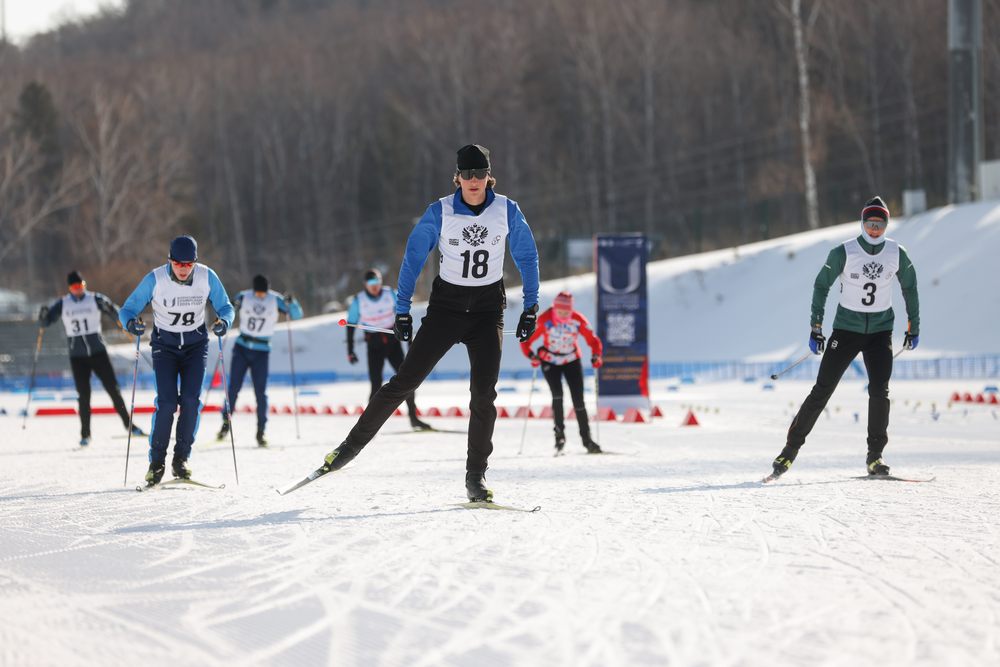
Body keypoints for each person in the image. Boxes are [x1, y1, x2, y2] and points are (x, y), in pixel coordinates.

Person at [313, 143, 540, 502]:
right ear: (457, 178)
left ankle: (475, 477)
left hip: (486, 310)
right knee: (403, 381)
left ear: (488, 176)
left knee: (484, 395)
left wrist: (531, 306)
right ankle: (347, 449)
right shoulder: (440, 212)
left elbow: (526, 255)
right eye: (467, 175)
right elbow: (413, 258)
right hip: (446, 309)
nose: (474, 181)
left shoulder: (507, 210)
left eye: (480, 174)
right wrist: (401, 310)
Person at [771, 196, 920, 479]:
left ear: (886, 224)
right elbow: (821, 286)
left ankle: (875, 457)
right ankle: (788, 452)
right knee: (822, 390)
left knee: (880, 392)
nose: (874, 229)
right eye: (869, 223)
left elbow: (910, 288)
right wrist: (816, 327)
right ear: (862, 223)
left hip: (880, 333)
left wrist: (914, 326)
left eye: (880, 223)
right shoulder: (844, 252)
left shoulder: (896, 252)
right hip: (846, 331)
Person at [119, 235, 235, 486]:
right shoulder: (156, 279)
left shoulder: (207, 277)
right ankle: (156, 463)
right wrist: (130, 323)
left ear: (195, 262)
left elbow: (226, 307)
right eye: (178, 263)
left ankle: (181, 459)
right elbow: (127, 309)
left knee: (192, 402)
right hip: (165, 347)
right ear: (169, 261)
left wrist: (224, 322)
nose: (183, 269)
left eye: (188, 264)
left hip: (196, 346)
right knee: (168, 402)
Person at [37, 271, 146, 446]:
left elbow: (114, 311)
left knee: (113, 390)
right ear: (69, 288)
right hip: (77, 356)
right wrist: (42, 317)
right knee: (84, 395)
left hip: (98, 353)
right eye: (74, 287)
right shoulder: (63, 304)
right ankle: (85, 434)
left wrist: (126, 321)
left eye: (81, 286)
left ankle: (130, 426)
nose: (78, 290)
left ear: (84, 285)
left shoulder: (95, 299)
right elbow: (46, 321)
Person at [216, 274, 303, 447]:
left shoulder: (275, 299)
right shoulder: (244, 296)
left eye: (263, 293)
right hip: (242, 348)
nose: (261, 296)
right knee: (233, 388)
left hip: (261, 351)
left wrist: (292, 302)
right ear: (254, 290)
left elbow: (296, 315)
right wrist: (232, 307)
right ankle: (225, 423)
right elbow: (228, 310)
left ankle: (261, 430)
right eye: (258, 293)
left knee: (260, 393)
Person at [345, 267, 432, 431]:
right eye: (371, 282)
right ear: (365, 284)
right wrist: (350, 351)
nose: (374, 285)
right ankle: (367, 426)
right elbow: (350, 326)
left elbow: (404, 317)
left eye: (377, 281)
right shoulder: (359, 300)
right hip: (374, 345)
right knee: (375, 384)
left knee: (407, 380)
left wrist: (409, 341)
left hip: (392, 343)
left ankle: (414, 418)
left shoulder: (390, 294)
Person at [520, 291, 604, 454]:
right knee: (557, 394)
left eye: (567, 311)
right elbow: (526, 340)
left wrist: (596, 355)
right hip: (550, 360)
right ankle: (559, 436)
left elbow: (593, 340)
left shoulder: (577, 320)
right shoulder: (545, 319)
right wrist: (532, 355)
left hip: (571, 359)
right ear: (555, 308)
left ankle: (587, 440)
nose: (564, 314)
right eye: (560, 311)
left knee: (578, 399)